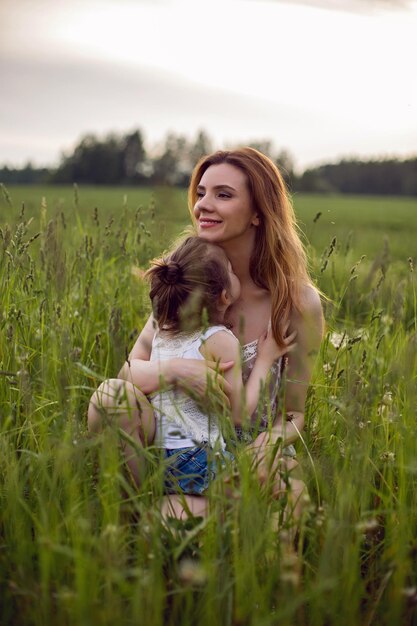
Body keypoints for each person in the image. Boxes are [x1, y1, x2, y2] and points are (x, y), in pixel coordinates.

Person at [89, 146, 324, 519]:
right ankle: (131, 515)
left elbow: (295, 413)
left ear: (259, 214)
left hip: (250, 446)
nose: (203, 205)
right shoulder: (186, 281)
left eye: (223, 195)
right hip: (176, 444)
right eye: (200, 193)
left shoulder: (297, 303)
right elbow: (128, 373)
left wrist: (270, 444)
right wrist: (179, 371)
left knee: (286, 510)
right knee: (110, 396)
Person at [88, 235, 296, 517]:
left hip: (157, 456)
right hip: (198, 460)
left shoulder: (164, 329)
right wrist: (266, 359)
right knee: (248, 487)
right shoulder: (220, 340)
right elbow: (238, 413)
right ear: (224, 295)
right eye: (230, 271)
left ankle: (135, 510)